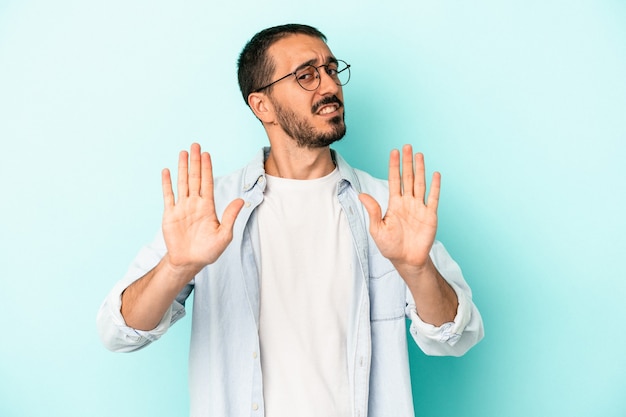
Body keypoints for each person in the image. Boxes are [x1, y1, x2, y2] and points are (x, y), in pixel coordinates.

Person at [97, 23, 484, 417]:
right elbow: (119, 332)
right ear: (262, 105)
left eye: (331, 70)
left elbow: (457, 337)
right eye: (306, 75)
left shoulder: (388, 206)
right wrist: (177, 266)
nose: (329, 86)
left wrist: (416, 268)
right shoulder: (212, 209)